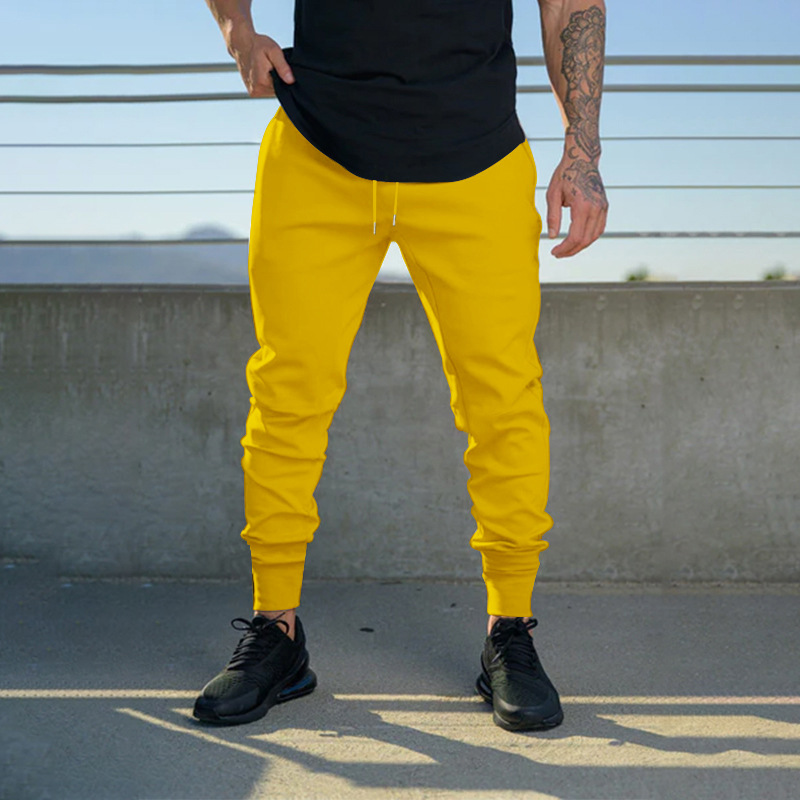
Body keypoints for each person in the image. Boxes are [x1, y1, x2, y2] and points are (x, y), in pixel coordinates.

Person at [194, 0, 608, 733]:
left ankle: (510, 628)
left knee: (504, 399)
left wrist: (582, 151)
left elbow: (571, 6)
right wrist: (237, 32)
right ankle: (275, 629)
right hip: (317, 150)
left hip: (476, 160)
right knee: (288, 390)